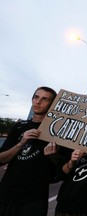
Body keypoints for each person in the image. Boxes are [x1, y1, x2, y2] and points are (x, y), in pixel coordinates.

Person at [0, 86, 58, 216]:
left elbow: (60, 172)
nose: (38, 102)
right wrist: (21, 143)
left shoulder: (56, 131)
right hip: (5, 194)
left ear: (52, 104)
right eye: (36, 97)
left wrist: (53, 156)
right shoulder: (19, 127)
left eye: (44, 99)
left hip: (34, 200)